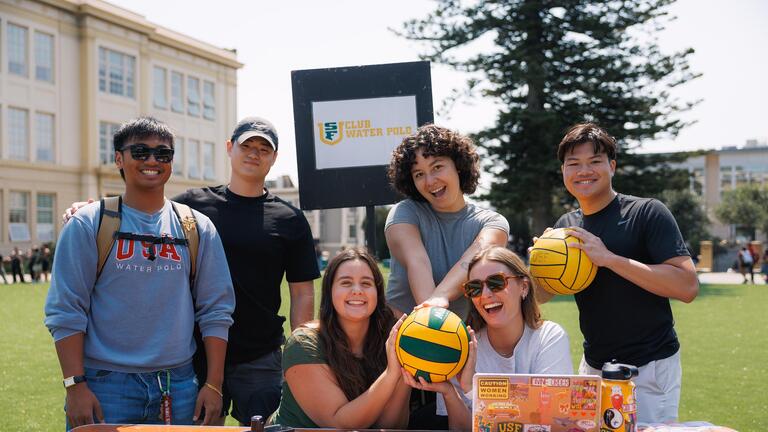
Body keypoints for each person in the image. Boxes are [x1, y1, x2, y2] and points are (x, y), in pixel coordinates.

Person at [63, 117, 320, 425]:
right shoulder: (194, 207)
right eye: (246, 145)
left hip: (258, 353)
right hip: (193, 354)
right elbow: (144, 206)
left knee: (261, 427)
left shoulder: (287, 218)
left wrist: (301, 353)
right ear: (229, 148)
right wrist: (87, 210)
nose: (254, 153)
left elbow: (301, 292)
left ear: (274, 157)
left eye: (264, 148)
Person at [44, 116, 235, 428]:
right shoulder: (88, 223)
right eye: (140, 151)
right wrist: (74, 385)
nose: (152, 161)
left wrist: (213, 384)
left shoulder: (197, 227)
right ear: (119, 158)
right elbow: (65, 310)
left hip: (179, 384)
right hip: (106, 384)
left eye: (163, 154)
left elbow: (217, 309)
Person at [538, 123, 699, 424]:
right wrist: (541, 267)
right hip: (594, 367)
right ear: (563, 171)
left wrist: (610, 259)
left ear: (612, 166)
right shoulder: (566, 226)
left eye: (594, 161)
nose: (583, 171)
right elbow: (543, 296)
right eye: (573, 164)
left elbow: (687, 286)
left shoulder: (647, 212)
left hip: (649, 367)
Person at [385, 124, 510, 428]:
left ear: (459, 166)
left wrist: (441, 299)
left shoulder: (492, 222)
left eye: (437, 166)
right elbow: (417, 262)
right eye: (418, 174)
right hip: (396, 348)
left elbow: (474, 256)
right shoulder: (404, 213)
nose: (430, 181)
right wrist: (432, 312)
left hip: (455, 356)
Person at [402, 246, 573, 430]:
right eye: (475, 287)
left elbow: (552, 422)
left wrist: (471, 389)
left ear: (524, 286)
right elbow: (463, 429)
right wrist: (449, 392)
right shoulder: (459, 346)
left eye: (496, 283)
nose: (485, 295)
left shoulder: (550, 337)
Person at [271, 248, 410, 428]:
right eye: (346, 283)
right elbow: (339, 425)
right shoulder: (303, 344)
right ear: (330, 292)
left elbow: (391, 427)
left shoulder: (390, 338)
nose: (357, 290)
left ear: (378, 293)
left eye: (366, 283)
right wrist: (391, 374)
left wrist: (404, 368)